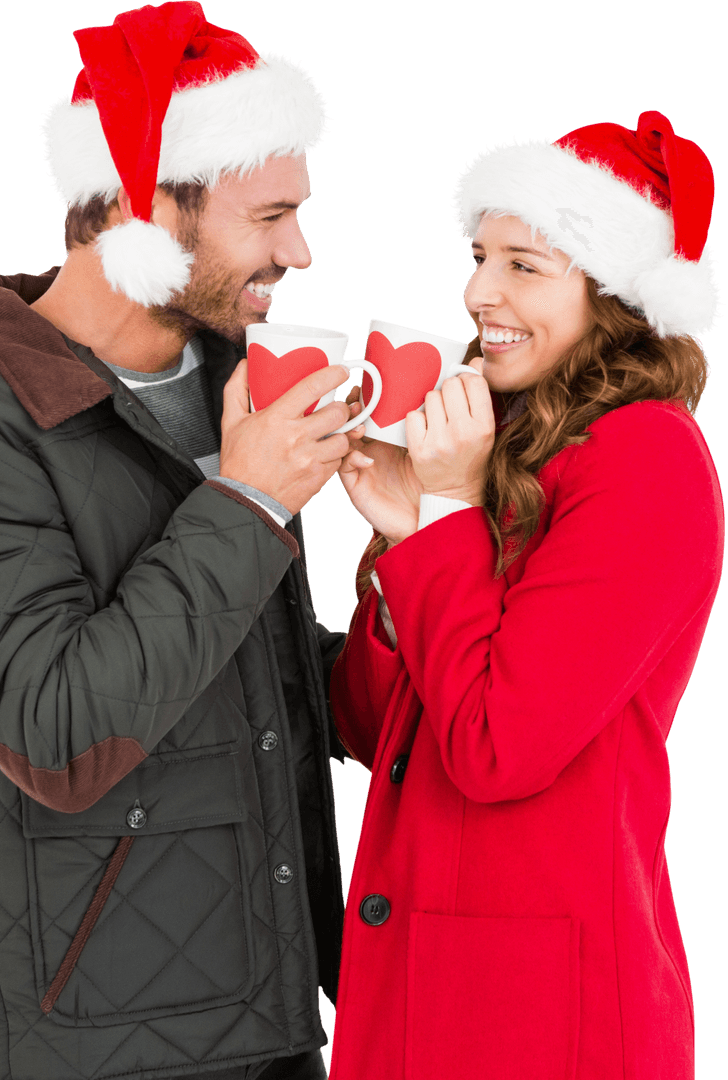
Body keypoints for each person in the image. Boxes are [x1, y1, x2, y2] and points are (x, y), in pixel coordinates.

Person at [0, 4, 363, 1079]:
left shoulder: (236, 380)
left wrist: (416, 550)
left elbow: (246, 680)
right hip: (90, 1040)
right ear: (145, 208)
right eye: (270, 216)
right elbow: (57, 737)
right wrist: (247, 504)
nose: (300, 251)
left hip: (273, 1009)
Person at [327, 111, 723, 1079]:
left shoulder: (646, 461)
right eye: (477, 256)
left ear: (616, 300)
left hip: (541, 1018)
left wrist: (450, 514)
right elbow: (373, 736)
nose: (476, 292)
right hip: (431, 982)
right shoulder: (502, 449)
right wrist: (404, 539)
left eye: (524, 265)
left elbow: (495, 748)